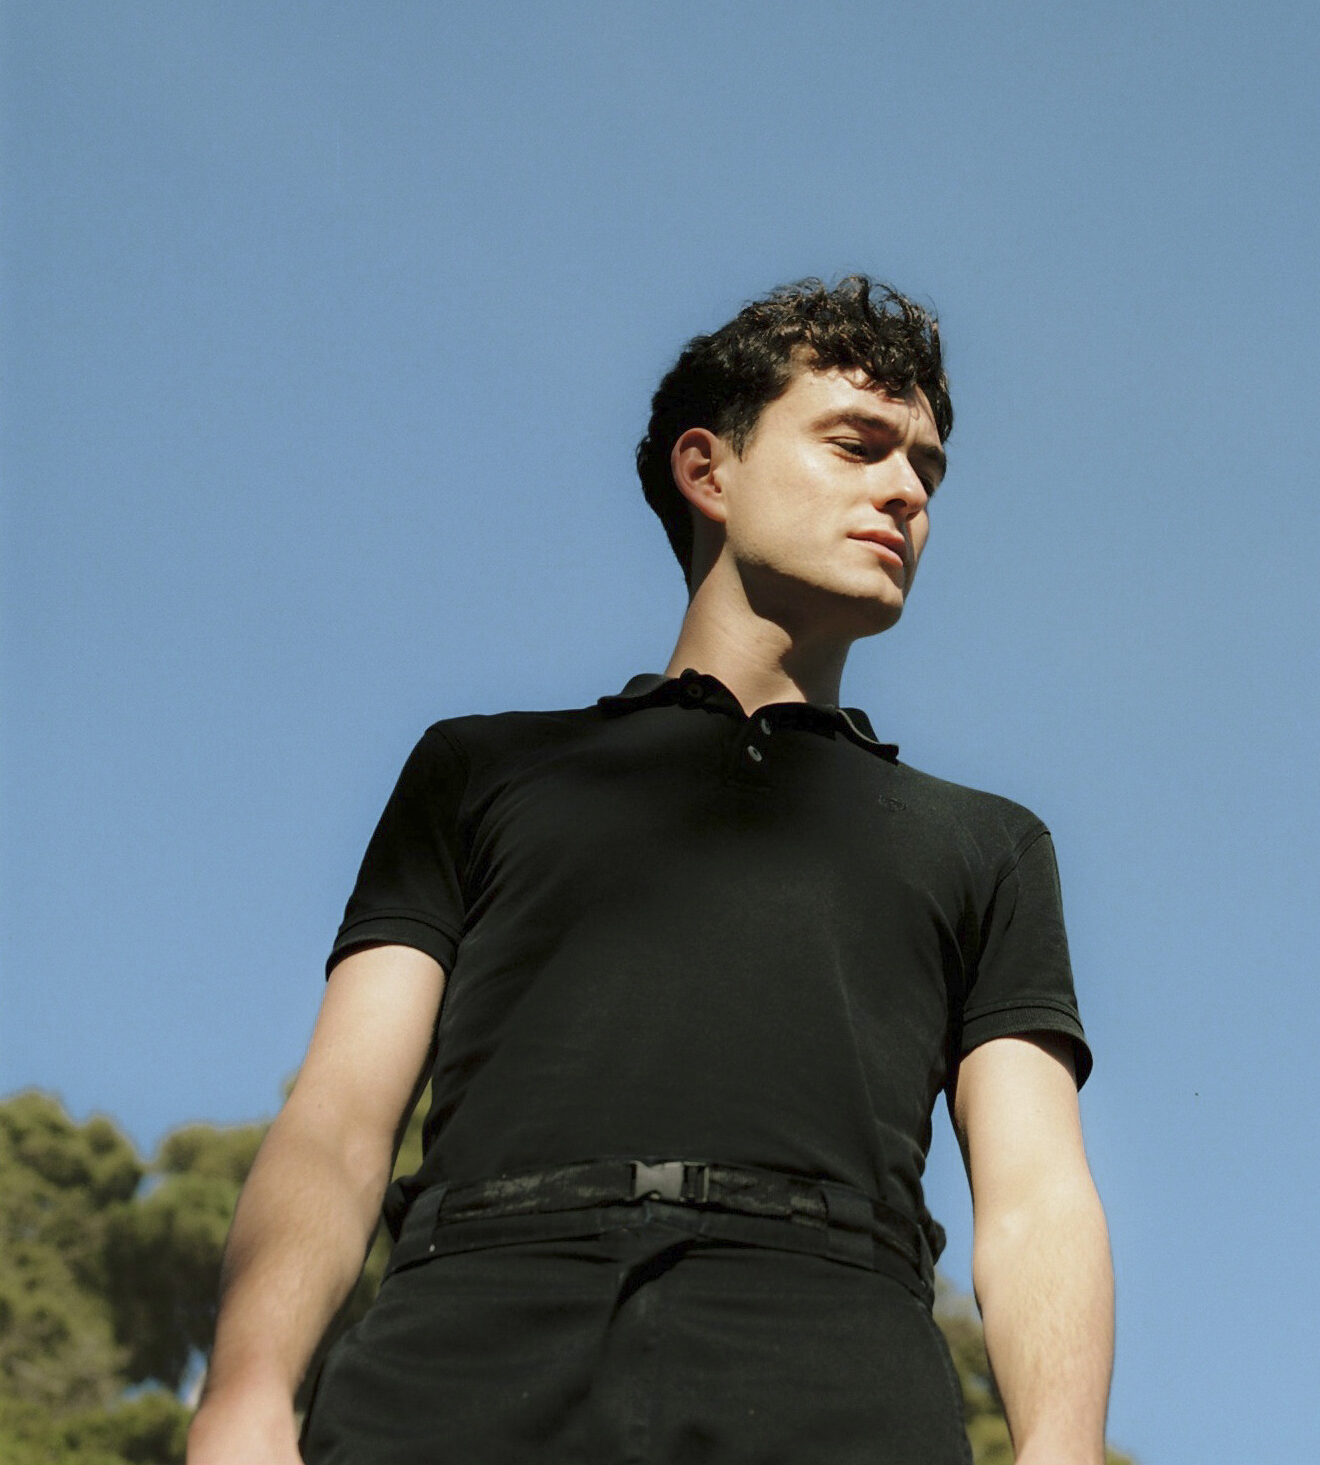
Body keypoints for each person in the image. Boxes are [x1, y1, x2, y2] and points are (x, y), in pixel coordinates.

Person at [185, 276, 1115, 1465]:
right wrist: (248, 1396)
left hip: (835, 1371)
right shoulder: (479, 770)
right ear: (705, 472)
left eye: (926, 470)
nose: (904, 491)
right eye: (857, 445)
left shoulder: (987, 843)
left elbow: (1037, 1194)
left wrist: (1061, 1449)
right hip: (465, 1355)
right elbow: (339, 1114)